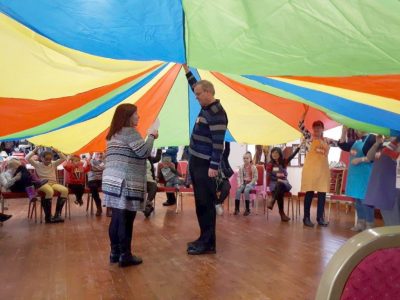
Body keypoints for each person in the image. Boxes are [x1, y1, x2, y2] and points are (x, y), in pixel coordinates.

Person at [102, 103, 158, 267]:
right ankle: (125, 255)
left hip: (112, 180)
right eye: (136, 114)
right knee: (126, 218)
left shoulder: (113, 134)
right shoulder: (130, 132)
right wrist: (152, 136)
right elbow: (144, 152)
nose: (138, 117)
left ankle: (115, 252)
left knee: (117, 218)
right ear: (128, 117)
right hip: (125, 181)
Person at [183, 63, 228, 255]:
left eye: (199, 94)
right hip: (196, 161)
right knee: (200, 202)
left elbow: (218, 143)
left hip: (205, 165)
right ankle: (203, 237)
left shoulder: (216, 113)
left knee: (206, 203)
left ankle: (209, 243)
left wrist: (213, 166)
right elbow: (195, 84)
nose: (196, 96)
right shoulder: (206, 106)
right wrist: (186, 70)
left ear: (208, 92)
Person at [299, 105, 337, 227]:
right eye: (315, 128)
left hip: (323, 172)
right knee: (309, 194)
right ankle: (306, 218)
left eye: (319, 128)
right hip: (311, 171)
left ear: (322, 129)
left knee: (322, 195)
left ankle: (320, 218)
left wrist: (345, 128)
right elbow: (300, 126)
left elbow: (341, 143)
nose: (316, 130)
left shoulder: (327, 141)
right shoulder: (309, 138)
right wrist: (304, 114)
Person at [337, 128, 376, 231]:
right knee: (357, 201)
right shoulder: (355, 142)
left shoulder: (371, 138)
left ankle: (369, 225)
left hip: (365, 176)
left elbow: (372, 157)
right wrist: (343, 132)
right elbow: (342, 145)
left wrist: (360, 160)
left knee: (366, 201)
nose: (356, 130)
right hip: (355, 177)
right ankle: (360, 223)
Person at [26, 147, 68, 223]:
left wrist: (57, 150)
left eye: (50, 159)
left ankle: (57, 215)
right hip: (42, 184)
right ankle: (48, 217)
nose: (48, 161)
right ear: (41, 158)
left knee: (65, 190)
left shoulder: (53, 164)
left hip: (53, 183)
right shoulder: (37, 164)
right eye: (46, 159)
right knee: (49, 191)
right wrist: (35, 150)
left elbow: (64, 158)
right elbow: (27, 158)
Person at [365, 136, 400, 226]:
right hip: (384, 190)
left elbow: (394, 156)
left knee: (394, 226)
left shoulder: (392, 145)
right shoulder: (382, 145)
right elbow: (369, 157)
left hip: (392, 191)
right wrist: (377, 143)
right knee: (392, 225)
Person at [265, 145, 301, 222]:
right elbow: (269, 176)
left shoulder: (284, 162)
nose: (274, 154)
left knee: (280, 184)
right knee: (279, 190)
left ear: (280, 154)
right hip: (274, 183)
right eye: (273, 153)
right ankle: (282, 214)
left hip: (284, 183)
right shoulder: (270, 164)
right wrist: (269, 185)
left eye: (276, 153)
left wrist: (299, 147)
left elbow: (292, 155)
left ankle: (272, 201)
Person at [234, 151, 258, 216]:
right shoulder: (241, 167)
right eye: (244, 158)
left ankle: (247, 209)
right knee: (238, 191)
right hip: (243, 183)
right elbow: (239, 176)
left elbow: (255, 177)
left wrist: (250, 184)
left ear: (250, 159)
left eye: (247, 158)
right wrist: (239, 184)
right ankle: (237, 209)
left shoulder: (253, 167)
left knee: (246, 190)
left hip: (251, 184)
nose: (245, 159)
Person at [215, 142, 234, 216]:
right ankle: (216, 203)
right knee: (210, 188)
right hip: (214, 179)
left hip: (223, 179)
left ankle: (218, 203)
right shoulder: (210, 155)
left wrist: (227, 139)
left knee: (227, 187)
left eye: (222, 147)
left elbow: (227, 149)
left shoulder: (224, 156)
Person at [144, 149, 162, 218]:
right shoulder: (137, 158)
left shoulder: (149, 158)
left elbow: (157, 158)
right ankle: (147, 207)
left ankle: (147, 205)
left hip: (150, 180)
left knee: (154, 185)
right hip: (140, 181)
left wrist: (159, 148)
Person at [87, 152, 105, 216]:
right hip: (92, 179)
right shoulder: (91, 161)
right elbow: (101, 168)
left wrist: (94, 168)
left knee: (110, 187)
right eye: (98, 154)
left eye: (101, 153)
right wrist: (99, 168)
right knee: (93, 187)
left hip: (102, 179)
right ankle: (98, 207)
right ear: (94, 155)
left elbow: (95, 168)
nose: (100, 155)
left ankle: (109, 208)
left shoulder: (105, 161)